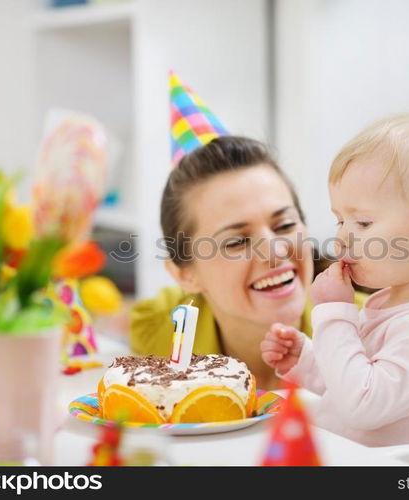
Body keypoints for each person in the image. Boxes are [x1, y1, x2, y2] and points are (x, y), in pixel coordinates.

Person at [261, 113, 409, 446]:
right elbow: (353, 380)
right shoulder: (390, 302)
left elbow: (362, 405)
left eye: (362, 223)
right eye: (339, 221)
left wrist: (333, 314)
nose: (342, 238)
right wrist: (307, 360)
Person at [130, 135, 366, 390]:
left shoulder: (378, 332)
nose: (274, 252)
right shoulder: (160, 330)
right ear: (185, 275)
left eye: (285, 225)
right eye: (236, 241)